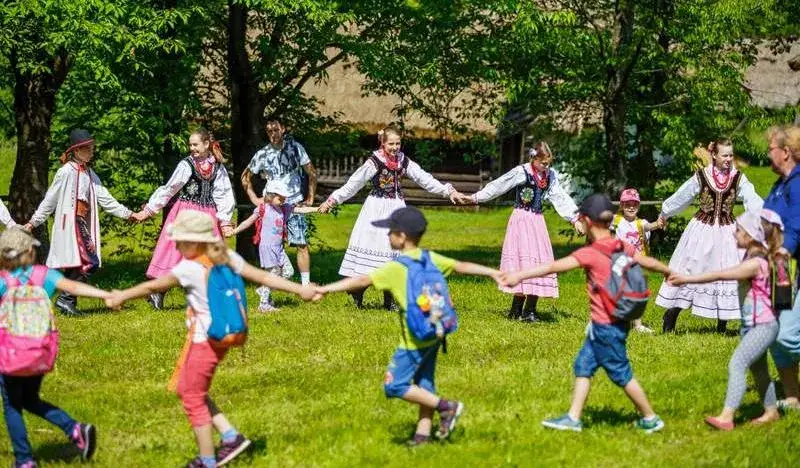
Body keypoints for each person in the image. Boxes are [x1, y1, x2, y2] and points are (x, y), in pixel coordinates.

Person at [106, 210, 315, 467]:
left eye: (180, 242)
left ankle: (207, 460)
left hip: (204, 341)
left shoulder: (189, 267)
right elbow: (264, 277)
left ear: (194, 242)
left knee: (191, 396)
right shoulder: (226, 258)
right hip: (222, 338)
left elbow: (153, 286)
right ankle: (230, 435)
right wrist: (301, 289)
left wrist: (121, 296)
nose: (177, 246)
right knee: (191, 388)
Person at [313, 206, 503, 445]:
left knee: (394, 385)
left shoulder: (396, 268)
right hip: (435, 331)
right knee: (424, 384)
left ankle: (447, 407)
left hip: (413, 340)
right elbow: (461, 266)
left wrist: (324, 289)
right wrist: (493, 273)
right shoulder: (430, 258)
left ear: (402, 237)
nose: (387, 235)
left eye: (390, 231)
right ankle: (422, 437)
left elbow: (361, 280)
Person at [502, 194, 669, 433]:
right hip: (612, 323)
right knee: (583, 366)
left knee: (621, 374)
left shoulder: (590, 252)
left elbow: (552, 267)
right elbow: (647, 262)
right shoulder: (622, 245)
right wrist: (668, 271)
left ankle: (651, 417)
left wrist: (519, 275)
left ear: (587, 222)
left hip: (606, 327)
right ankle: (573, 417)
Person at [317, 126, 463, 309]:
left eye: (398, 143)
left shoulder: (403, 160)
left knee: (394, 254)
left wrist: (447, 190)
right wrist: (332, 201)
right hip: (376, 208)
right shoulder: (374, 162)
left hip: (396, 208)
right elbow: (354, 184)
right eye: (391, 144)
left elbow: (423, 178)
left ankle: (389, 300)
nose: (395, 147)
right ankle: (358, 293)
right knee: (373, 249)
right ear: (383, 143)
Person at [0, 227, 108, 467]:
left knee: (12, 405)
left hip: (9, 355)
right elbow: (74, 287)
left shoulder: (3, 281)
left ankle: (24, 459)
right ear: (29, 251)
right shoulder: (43, 275)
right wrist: (105, 296)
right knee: (30, 399)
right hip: (38, 353)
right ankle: (75, 429)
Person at [669, 209, 784, 430]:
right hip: (751, 325)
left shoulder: (755, 263)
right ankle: (771, 412)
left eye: (739, 231)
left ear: (751, 235)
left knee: (737, 363)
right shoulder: (751, 257)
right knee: (759, 370)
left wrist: (686, 278)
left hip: (763, 326)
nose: (734, 234)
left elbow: (720, 274)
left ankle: (726, 417)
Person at [456, 142, 583, 322]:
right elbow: (499, 185)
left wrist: (575, 219)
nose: (546, 166)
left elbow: (559, 197)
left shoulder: (550, 176)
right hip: (521, 221)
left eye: (548, 163)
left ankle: (529, 310)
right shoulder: (522, 171)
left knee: (539, 262)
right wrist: (476, 198)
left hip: (537, 222)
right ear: (533, 159)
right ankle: (516, 309)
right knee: (523, 262)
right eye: (543, 163)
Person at [23, 129, 135, 316]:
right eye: (87, 148)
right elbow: (50, 199)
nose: (92, 151)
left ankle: (66, 302)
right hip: (72, 223)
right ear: (76, 151)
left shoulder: (89, 173)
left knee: (78, 264)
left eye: (92, 147)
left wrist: (129, 214)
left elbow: (105, 198)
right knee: (91, 262)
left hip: (81, 222)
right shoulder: (66, 171)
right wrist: (34, 222)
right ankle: (65, 299)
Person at [656, 139, 763, 333]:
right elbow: (683, 195)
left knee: (727, 271)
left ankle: (722, 324)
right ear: (714, 155)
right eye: (725, 155)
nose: (729, 159)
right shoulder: (702, 176)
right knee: (691, 269)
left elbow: (751, 197)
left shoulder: (739, 178)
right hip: (701, 231)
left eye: (731, 155)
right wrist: (665, 212)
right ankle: (671, 314)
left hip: (727, 231)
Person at [131, 128, 235, 310]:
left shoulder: (218, 167)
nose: (192, 148)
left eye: (195, 144)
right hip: (186, 214)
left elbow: (224, 195)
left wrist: (224, 220)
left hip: (207, 215)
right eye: (190, 144)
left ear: (206, 144)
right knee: (175, 255)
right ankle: (157, 292)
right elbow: (170, 189)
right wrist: (148, 210)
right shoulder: (186, 164)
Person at [241, 120, 317, 287]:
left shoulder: (295, 148)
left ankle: (305, 285)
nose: (273, 134)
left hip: (294, 201)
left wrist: (310, 198)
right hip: (273, 206)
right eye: (269, 131)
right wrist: (255, 199)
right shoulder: (263, 154)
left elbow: (311, 172)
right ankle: (270, 285)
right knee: (272, 243)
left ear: (283, 129)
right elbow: (245, 177)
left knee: (301, 242)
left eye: (276, 130)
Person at [229, 179, 317, 312]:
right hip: (267, 247)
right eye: (280, 196)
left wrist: (317, 209)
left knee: (288, 272)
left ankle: (264, 289)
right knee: (274, 273)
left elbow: (300, 210)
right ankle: (264, 304)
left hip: (279, 248)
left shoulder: (284, 208)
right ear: (270, 195)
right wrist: (235, 231)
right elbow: (248, 222)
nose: (283, 199)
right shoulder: (263, 209)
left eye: (284, 197)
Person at [763, 125, 800, 411]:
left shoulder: (798, 184)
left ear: (785, 152)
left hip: (791, 263)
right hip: (782, 270)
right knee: (773, 331)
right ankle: (793, 397)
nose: (767, 154)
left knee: (787, 335)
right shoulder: (779, 186)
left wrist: (786, 248)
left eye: (770, 149)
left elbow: (798, 226)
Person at [611, 188, 662, 333]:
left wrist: (657, 224)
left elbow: (649, 226)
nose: (631, 207)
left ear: (638, 206)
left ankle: (637, 324)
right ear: (621, 206)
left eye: (634, 204)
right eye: (627, 204)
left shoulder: (641, 223)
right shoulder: (617, 220)